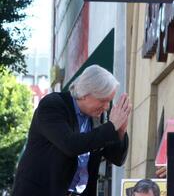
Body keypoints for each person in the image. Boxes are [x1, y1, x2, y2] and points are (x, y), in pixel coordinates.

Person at [12, 65, 132, 196]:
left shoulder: (97, 117)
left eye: (109, 101)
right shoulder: (53, 105)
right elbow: (70, 145)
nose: (106, 107)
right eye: (103, 101)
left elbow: (117, 158)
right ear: (85, 94)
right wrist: (111, 126)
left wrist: (120, 130)